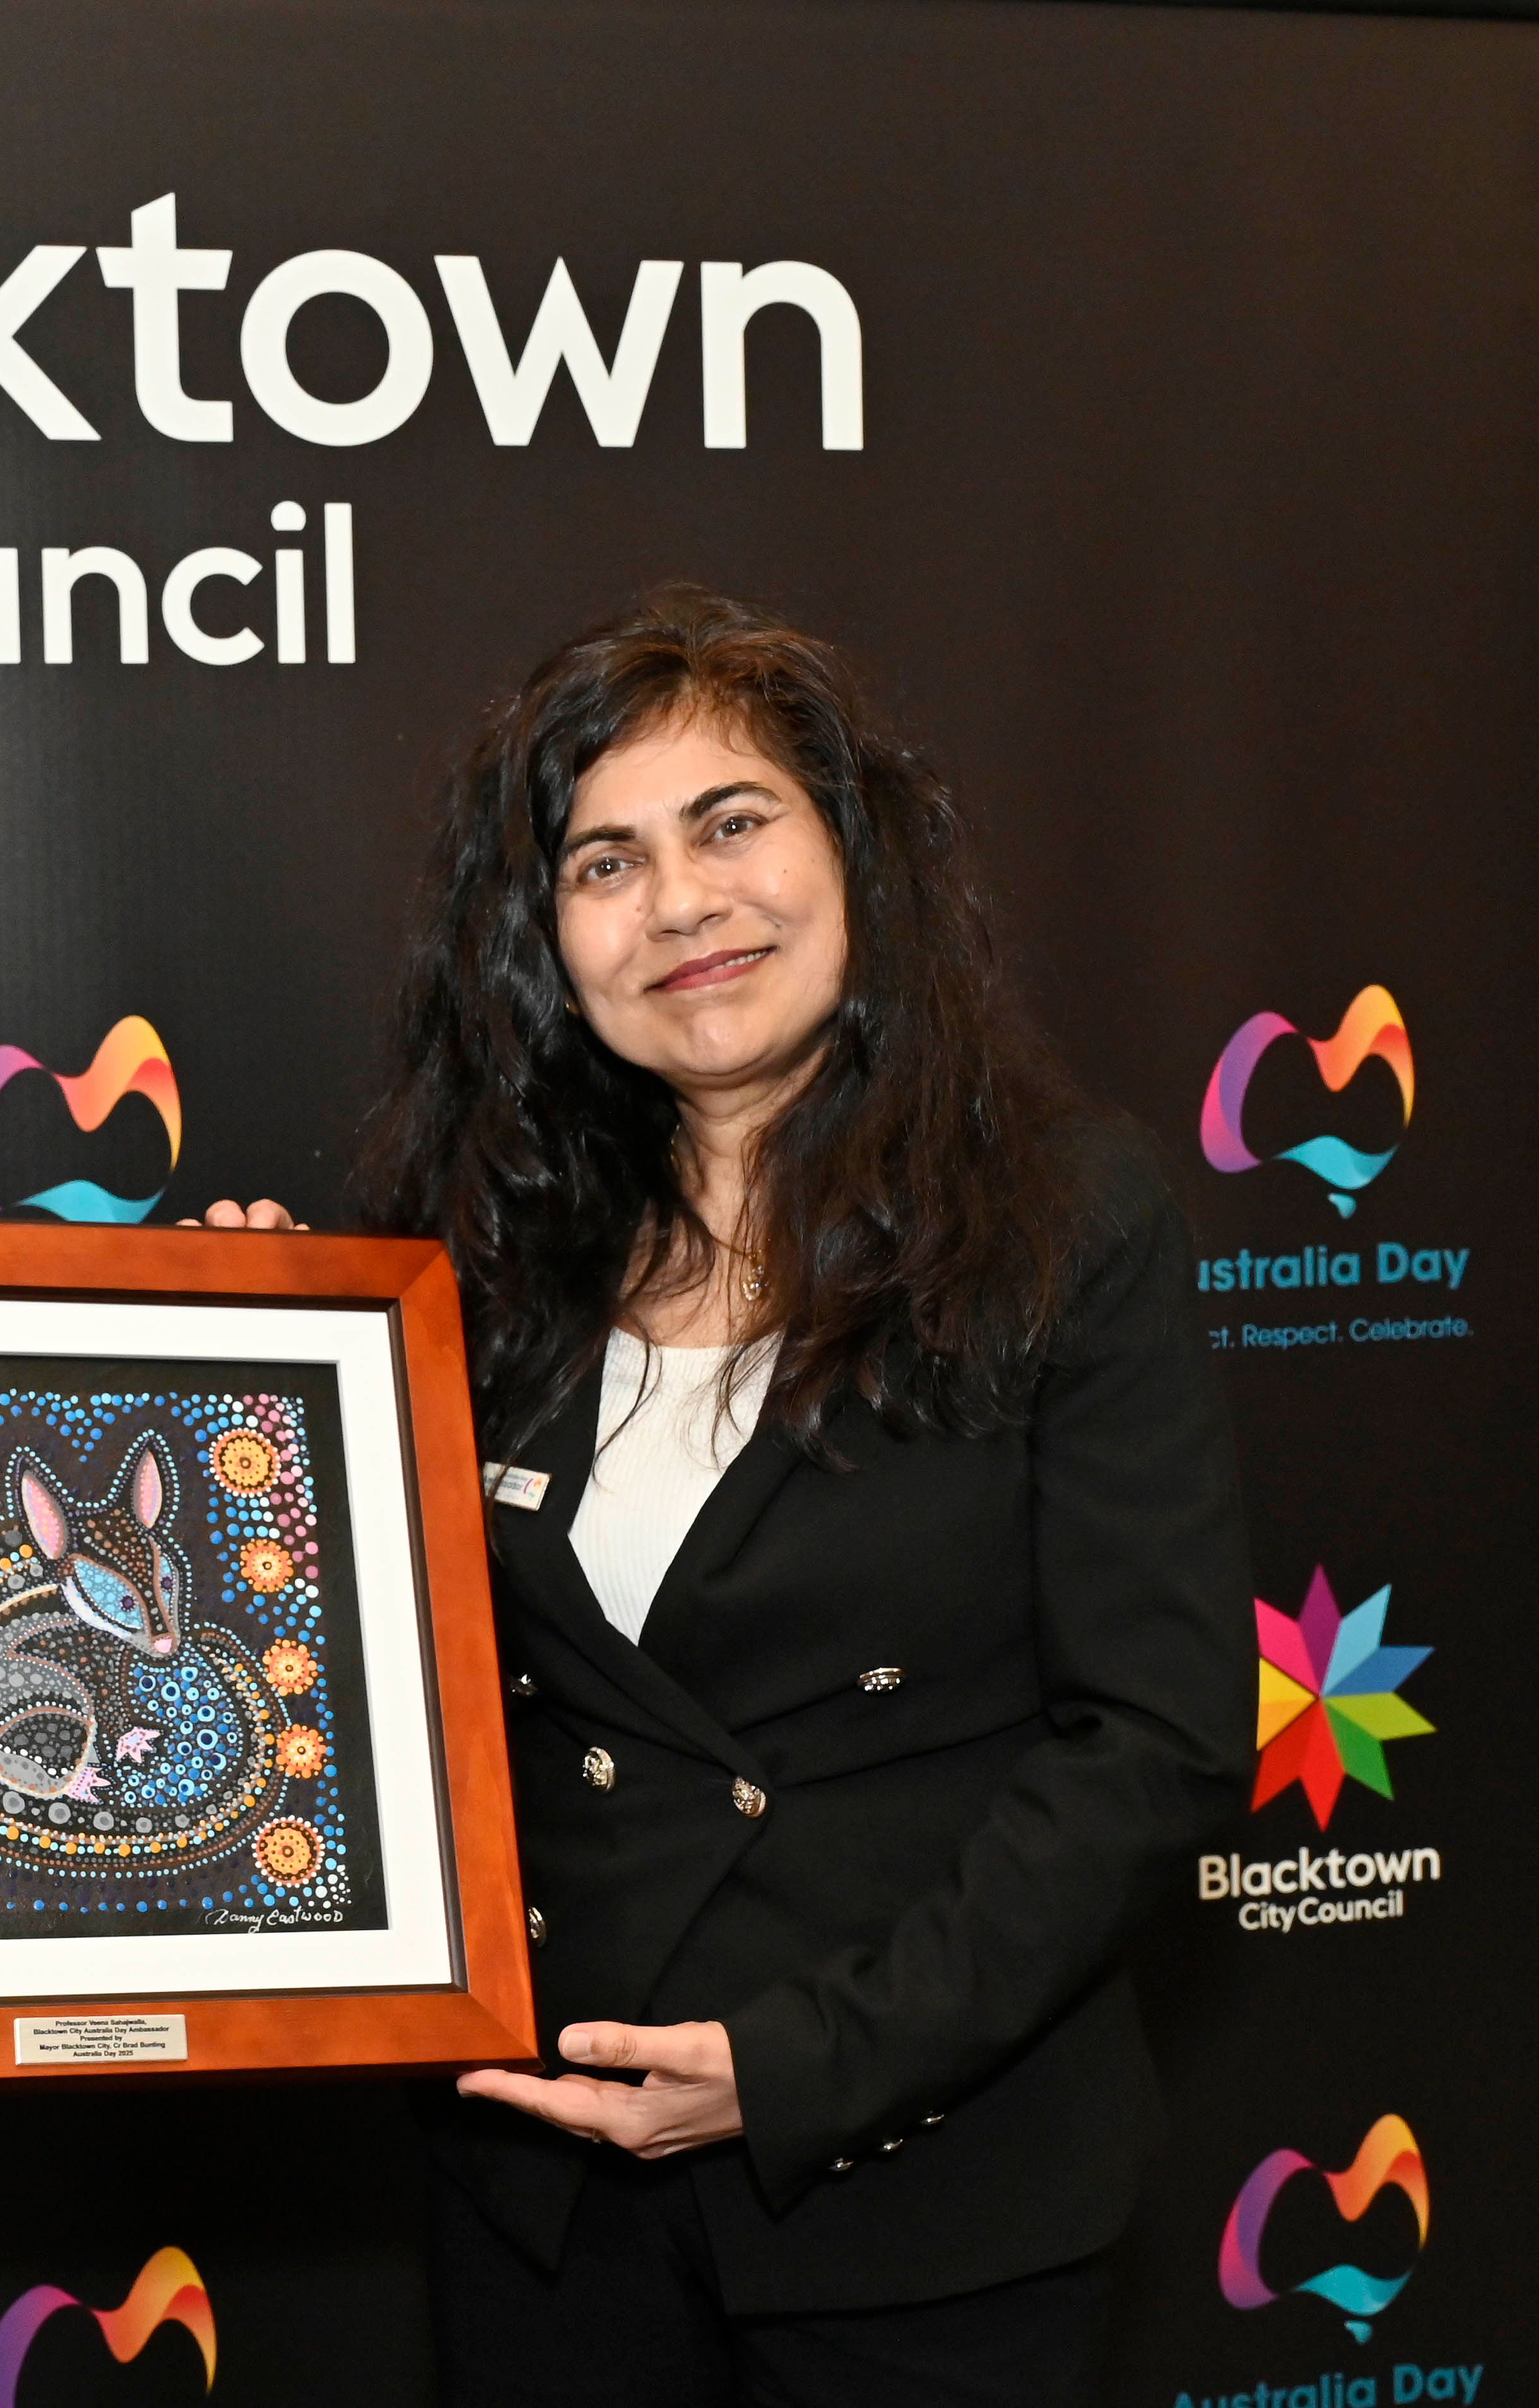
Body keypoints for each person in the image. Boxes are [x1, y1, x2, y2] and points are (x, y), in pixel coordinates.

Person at [366, 589, 1251, 2405]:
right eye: (605, 862)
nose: (681, 904)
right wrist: (239, 1343)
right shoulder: (474, 1260)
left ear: (855, 852)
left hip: (925, 2202)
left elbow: (1154, 1743)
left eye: (732, 823)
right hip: (544, 2199)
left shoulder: (1063, 1223)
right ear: (544, 939)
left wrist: (792, 2070)